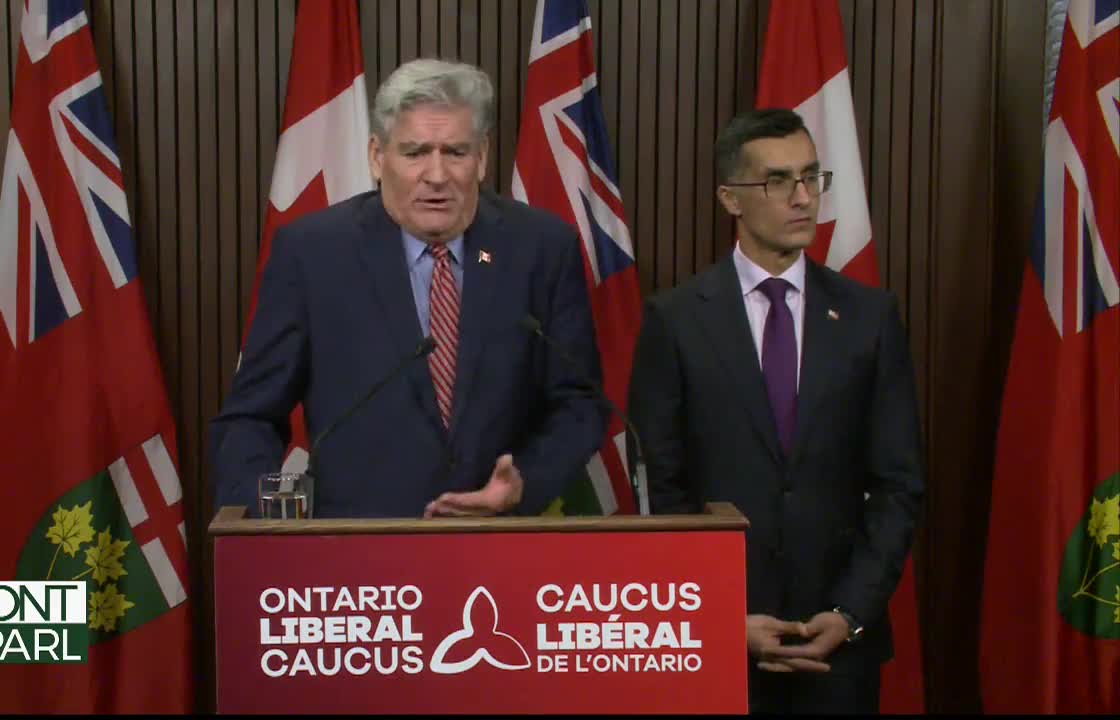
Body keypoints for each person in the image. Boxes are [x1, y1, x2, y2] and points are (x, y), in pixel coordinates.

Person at [210, 58, 606, 519]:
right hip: (354, 555)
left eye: (455, 152)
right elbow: (250, 417)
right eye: (415, 152)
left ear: (481, 157)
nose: (436, 175)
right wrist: (262, 529)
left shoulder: (541, 249)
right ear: (378, 157)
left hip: (499, 545)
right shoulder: (313, 254)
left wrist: (526, 483)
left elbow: (580, 405)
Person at [626, 108, 924, 713]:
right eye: (780, 181)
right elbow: (661, 489)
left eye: (813, 177)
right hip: (718, 644)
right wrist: (719, 618)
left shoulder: (869, 319)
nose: (804, 198)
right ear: (730, 197)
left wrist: (849, 614)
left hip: (839, 649)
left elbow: (898, 485)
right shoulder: (677, 320)